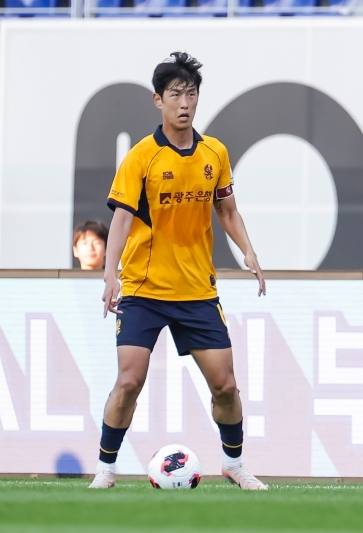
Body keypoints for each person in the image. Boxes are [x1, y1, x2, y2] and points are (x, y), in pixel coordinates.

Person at [90, 52, 268, 491]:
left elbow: (227, 210)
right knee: (129, 381)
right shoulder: (141, 157)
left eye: (191, 94)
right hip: (144, 290)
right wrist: (110, 274)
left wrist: (249, 250)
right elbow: (121, 219)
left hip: (197, 291)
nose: (184, 103)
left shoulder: (214, 153)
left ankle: (234, 464)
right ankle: (106, 468)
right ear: (158, 100)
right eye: (175, 94)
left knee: (226, 386)